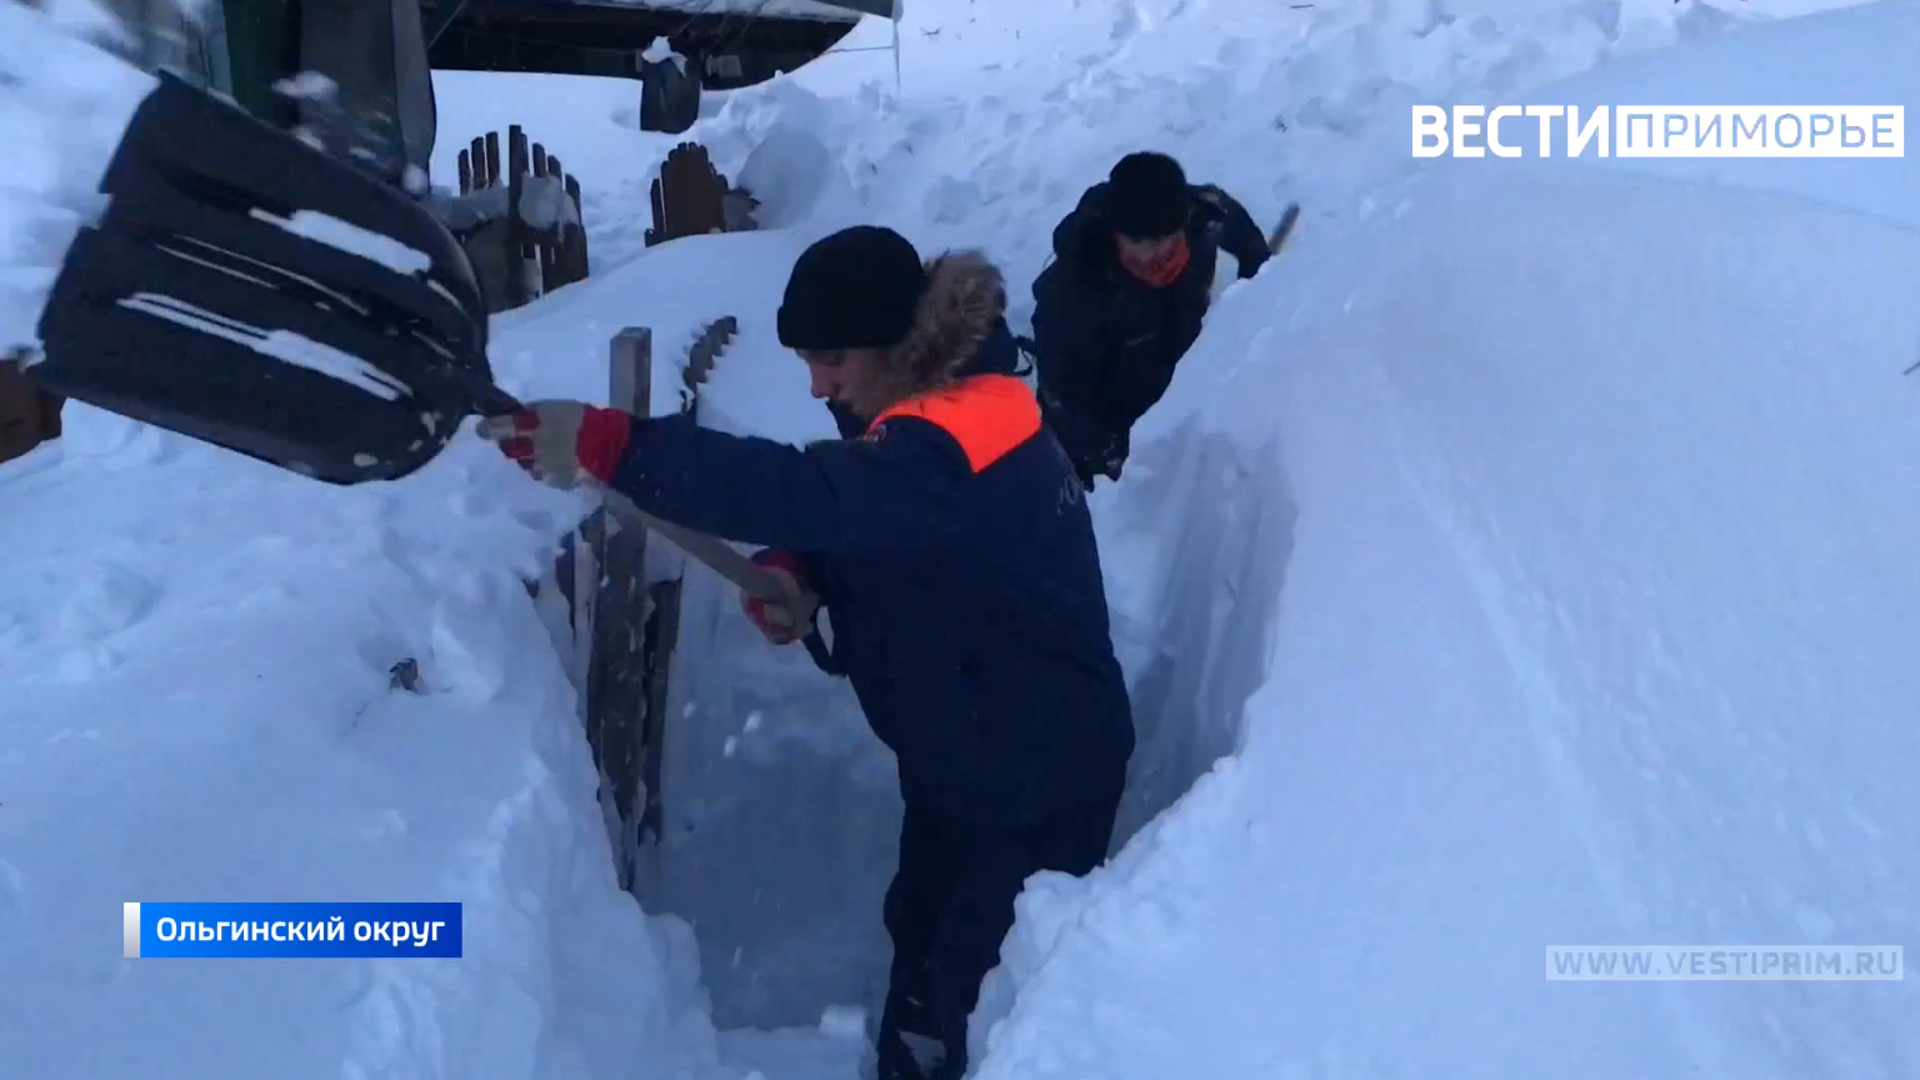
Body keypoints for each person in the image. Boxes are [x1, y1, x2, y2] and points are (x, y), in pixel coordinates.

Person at [478, 225, 1136, 1080]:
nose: (817, 383)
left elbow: (816, 491)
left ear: (896, 343)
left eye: (831, 359)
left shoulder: (953, 438)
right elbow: (877, 506)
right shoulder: (948, 401)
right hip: (970, 747)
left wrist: (619, 446)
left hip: (1033, 776)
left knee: (977, 990)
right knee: (923, 931)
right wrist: (805, 566)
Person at [1028, 150, 1272, 490]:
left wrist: (1261, 287)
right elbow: (1067, 401)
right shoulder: (1073, 292)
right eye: (1141, 242)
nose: (1158, 254)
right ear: (1116, 233)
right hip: (1119, 420)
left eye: (1169, 239)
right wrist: (1120, 455)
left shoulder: (1202, 216)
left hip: (1182, 379)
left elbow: (1245, 239)